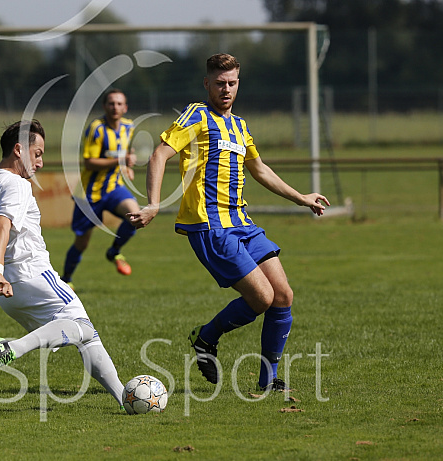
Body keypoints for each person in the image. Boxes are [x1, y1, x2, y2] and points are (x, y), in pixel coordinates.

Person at [129, 53, 330, 391]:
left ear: (239, 83)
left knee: (283, 295)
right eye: (219, 83)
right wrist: (153, 204)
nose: (226, 89)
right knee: (262, 298)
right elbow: (159, 155)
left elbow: (260, 169)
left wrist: (302, 198)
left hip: (242, 222)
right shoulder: (196, 115)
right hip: (210, 226)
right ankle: (206, 338)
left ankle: (267, 383)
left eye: (232, 83)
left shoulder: (239, 126)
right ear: (207, 83)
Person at [0, 120, 125, 408]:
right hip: (32, 276)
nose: (41, 162)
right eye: (38, 153)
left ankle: (124, 399)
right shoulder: (17, 185)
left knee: (84, 337)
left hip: (9, 295)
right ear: (19, 149)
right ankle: (13, 347)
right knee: (83, 327)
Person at [61, 89, 140, 287]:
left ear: (125, 107)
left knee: (136, 216)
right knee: (82, 243)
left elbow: (128, 149)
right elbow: (89, 163)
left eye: (119, 104)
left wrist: (127, 166)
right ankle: (66, 280)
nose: (115, 107)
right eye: (111, 103)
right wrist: (121, 160)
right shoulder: (96, 129)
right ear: (105, 106)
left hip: (114, 188)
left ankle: (114, 251)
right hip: (89, 194)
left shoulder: (129, 127)